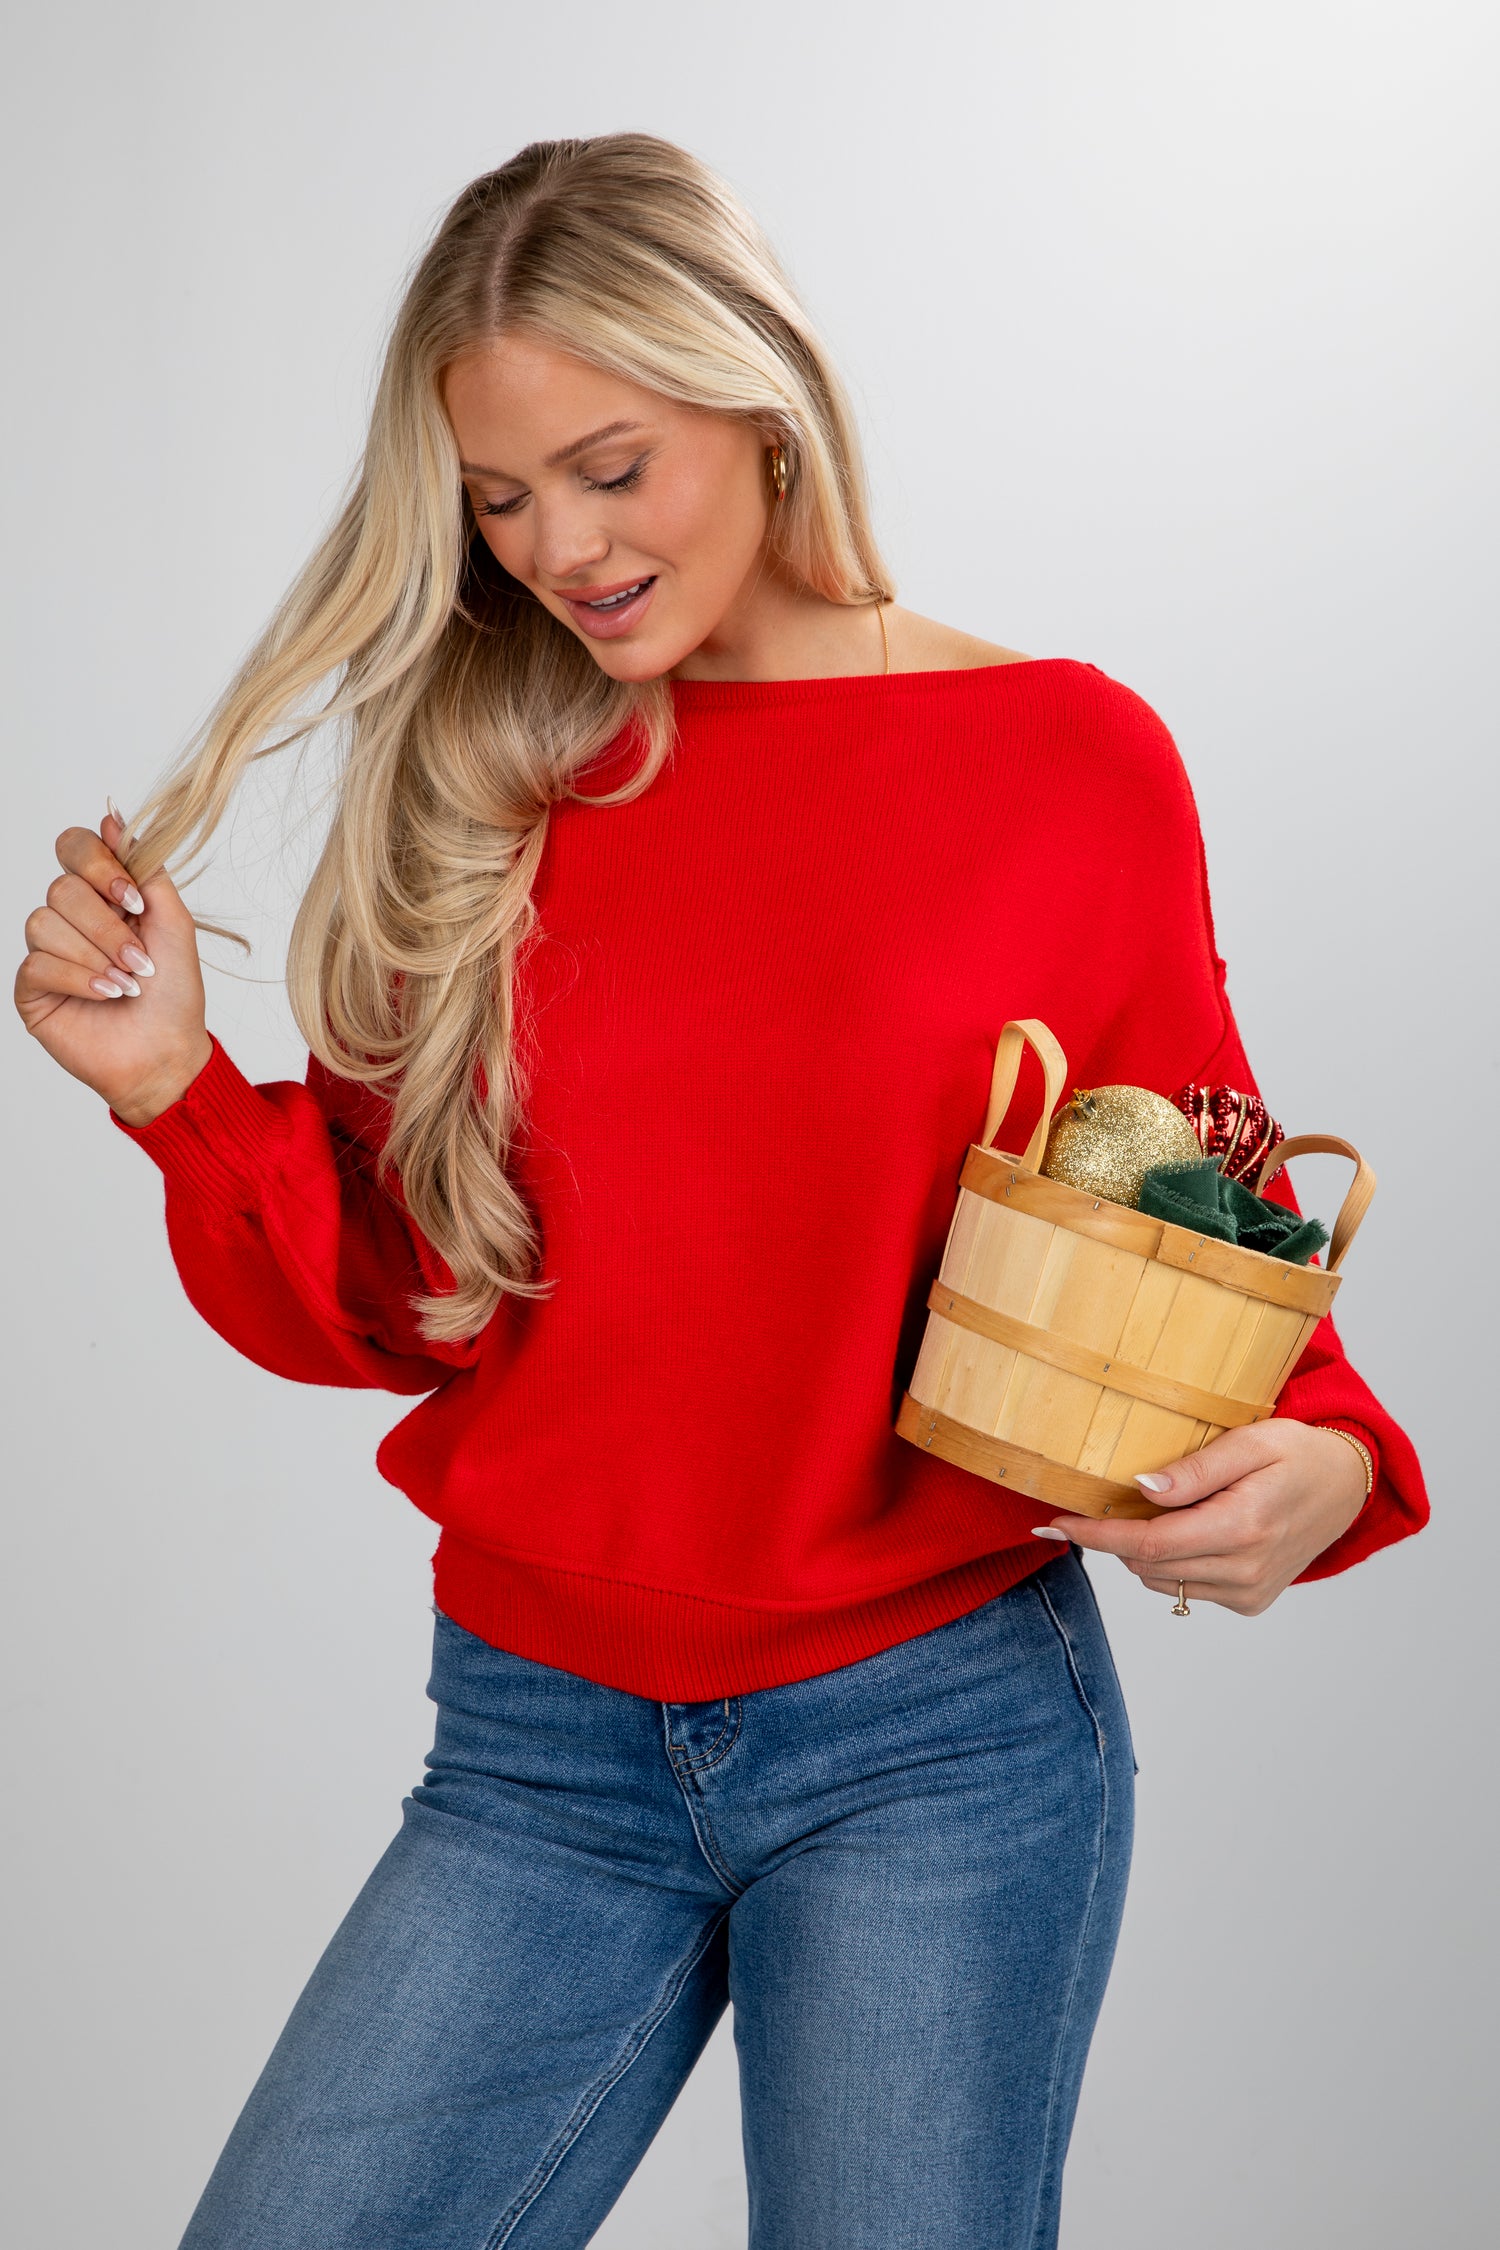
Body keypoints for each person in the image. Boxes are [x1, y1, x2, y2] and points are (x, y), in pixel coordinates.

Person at [14, 134, 1428, 2250]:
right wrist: (174, 1093)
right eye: (498, 498)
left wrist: (1325, 1457)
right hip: (533, 1747)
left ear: (761, 403)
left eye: (611, 468)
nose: (558, 548)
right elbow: (403, 1300)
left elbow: (1198, 1204)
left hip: (935, 1741)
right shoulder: (481, 780)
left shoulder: (1066, 761)